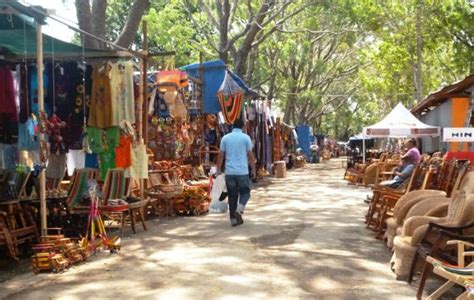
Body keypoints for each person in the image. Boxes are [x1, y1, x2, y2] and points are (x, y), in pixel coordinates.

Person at [216, 119, 256, 226]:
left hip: (229, 171)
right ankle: (240, 209)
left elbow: (221, 155)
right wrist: (254, 169)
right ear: (243, 127)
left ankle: (233, 220)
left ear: (233, 127)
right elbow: (250, 155)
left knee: (232, 195)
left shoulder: (225, 138)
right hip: (242, 171)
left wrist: (218, 169)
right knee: (245, 192)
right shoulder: (246, 138)